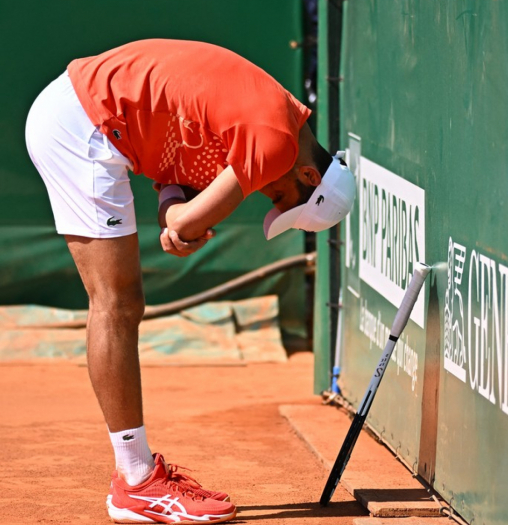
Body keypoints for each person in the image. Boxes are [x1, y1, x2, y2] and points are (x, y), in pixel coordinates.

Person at [24, 39, 355, 524]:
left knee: (120, 303)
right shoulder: (275, 141)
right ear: (308, 172)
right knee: (116, 303)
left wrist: (174, 212)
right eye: (283, 197)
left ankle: (136, 477)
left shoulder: (273, 117)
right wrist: (181, 224)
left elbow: (172, 184)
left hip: (81, 115)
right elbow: (184, 226)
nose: (269, 195)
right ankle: (135, 483)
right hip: (83, 128)